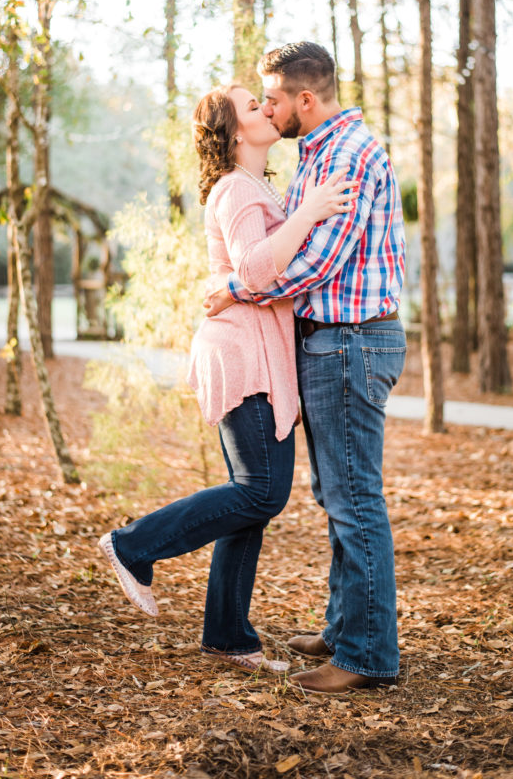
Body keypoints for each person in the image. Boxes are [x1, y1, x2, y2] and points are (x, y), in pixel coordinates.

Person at [98, 82, 355, 674]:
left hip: (254, 351)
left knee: (253, 500)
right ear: (235, 132)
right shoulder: (237, 188)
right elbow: (257, 270)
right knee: (261, 491)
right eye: (252, 105)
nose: (267, 108)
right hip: (243, 357)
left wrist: (301, 208)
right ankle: (133, 545)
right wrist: (312, 211)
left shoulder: (256, 186)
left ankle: (228, 634)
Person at [205, 41, 406, 693]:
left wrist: (236, 288)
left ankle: (367, 655)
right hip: (331, 343)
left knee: (354, 501)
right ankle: (347, 623)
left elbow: (311, 264)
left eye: (273, 98)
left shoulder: (346, 155)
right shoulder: (317, 151)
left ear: (306, 101)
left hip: (350, 342)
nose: (267, 108)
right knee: (336, 495)